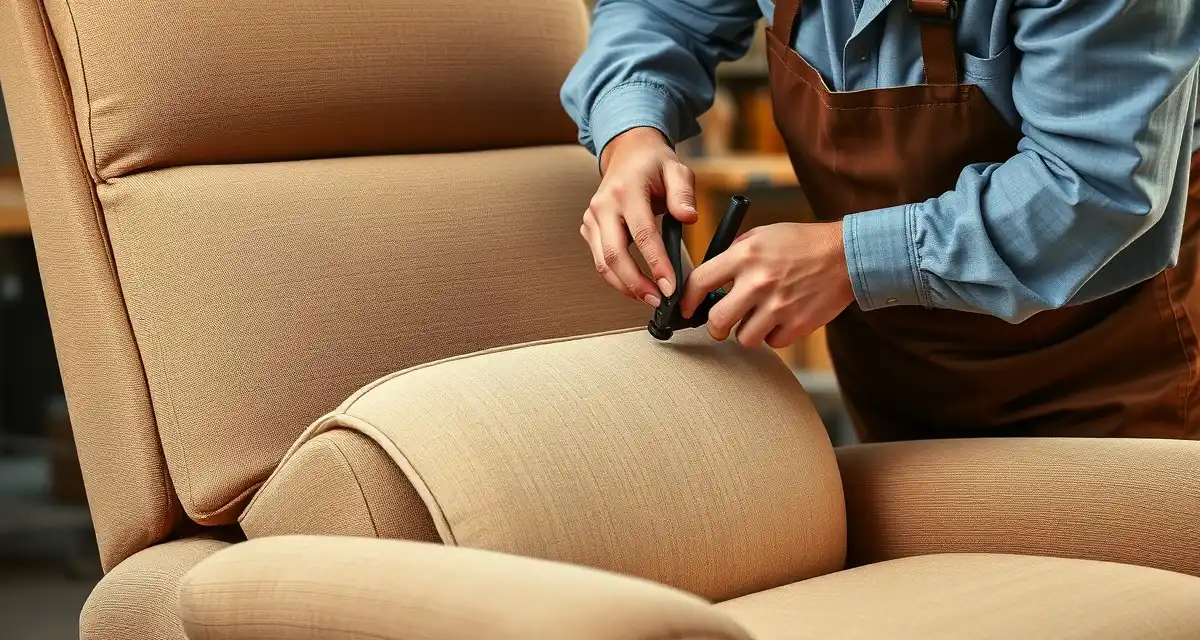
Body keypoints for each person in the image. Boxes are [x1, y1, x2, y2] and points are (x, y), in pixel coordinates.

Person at [561, 0, 1200, 440]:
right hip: (897, 383)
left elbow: (1092, 185)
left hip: (1112, 382)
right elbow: (660, 12)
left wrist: (848, 259)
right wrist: (630, 135)